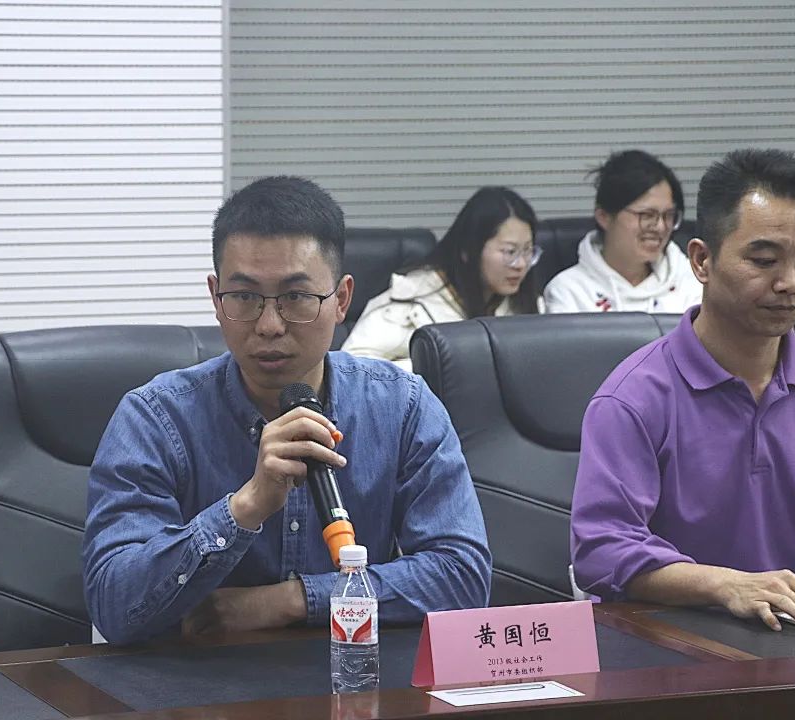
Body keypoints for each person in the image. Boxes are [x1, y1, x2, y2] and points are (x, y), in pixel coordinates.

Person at [82, 176, 491, 645]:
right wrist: (245, 507)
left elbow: (462, 579)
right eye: (245, 297)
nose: (270, 325)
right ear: (216, 298)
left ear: (341, 300)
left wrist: (290, 601)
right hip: (197, 681)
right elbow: (114, 606)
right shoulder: (155, 418)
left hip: (352, 674)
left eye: (296, 297)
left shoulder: (403, 406)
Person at [570, 148, 795, 631]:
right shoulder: (634, 399)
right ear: (701, 260)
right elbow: (602, 549)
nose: (790, 283)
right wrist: (725, 585)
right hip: (678, 643)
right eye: (764, 260)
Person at [341, 187, 541, 370]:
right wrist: (432, 367)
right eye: (510, 251)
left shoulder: (526, 304)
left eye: (528, 250)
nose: (521, 264)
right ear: (468, 250)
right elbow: (351, 368)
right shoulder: (411, 304)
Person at [544, 150, 702, 313]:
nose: (661, 227)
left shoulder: (693, 281)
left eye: (668, 215)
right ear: (604, 217)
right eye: (647, 215)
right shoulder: (568, 292)